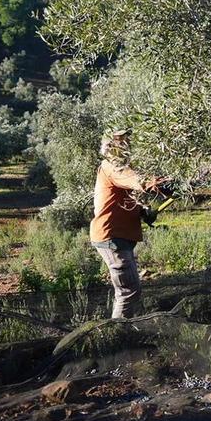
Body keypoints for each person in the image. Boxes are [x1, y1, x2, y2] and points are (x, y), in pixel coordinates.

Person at [90, 129, 167, 319]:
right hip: (111, 236)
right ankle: (118, 336)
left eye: (126, 140)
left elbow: (123, 198)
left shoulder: (116, 167)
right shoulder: (112, 166)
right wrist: (162, 183)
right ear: (111, 146)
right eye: (121, 141)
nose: (126, 143)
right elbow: (137, 181)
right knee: (128, 291)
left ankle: (121, 330)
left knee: (127, 291)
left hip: (116, 235)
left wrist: (142, 212)